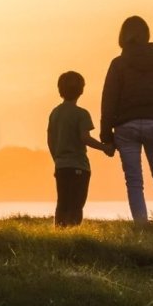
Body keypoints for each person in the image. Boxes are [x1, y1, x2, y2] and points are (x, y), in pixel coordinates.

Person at [100, 16, 153, 224]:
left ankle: (142, 226)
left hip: (125, 127)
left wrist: (106, 136)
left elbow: (109, 100)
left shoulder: (118, 64)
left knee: (134, 182)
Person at [47, 71, 114, 227]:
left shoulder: (55, 113)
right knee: (76, 203)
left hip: (61, 165)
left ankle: (59, 231)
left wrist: (56, 158)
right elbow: (85, 138)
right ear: (81, 90)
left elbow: (50, 140)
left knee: (62, 202)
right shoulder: (81, 114)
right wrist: (104, 147)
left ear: (59, 90)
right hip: (79, 165)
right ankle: (74, 232)